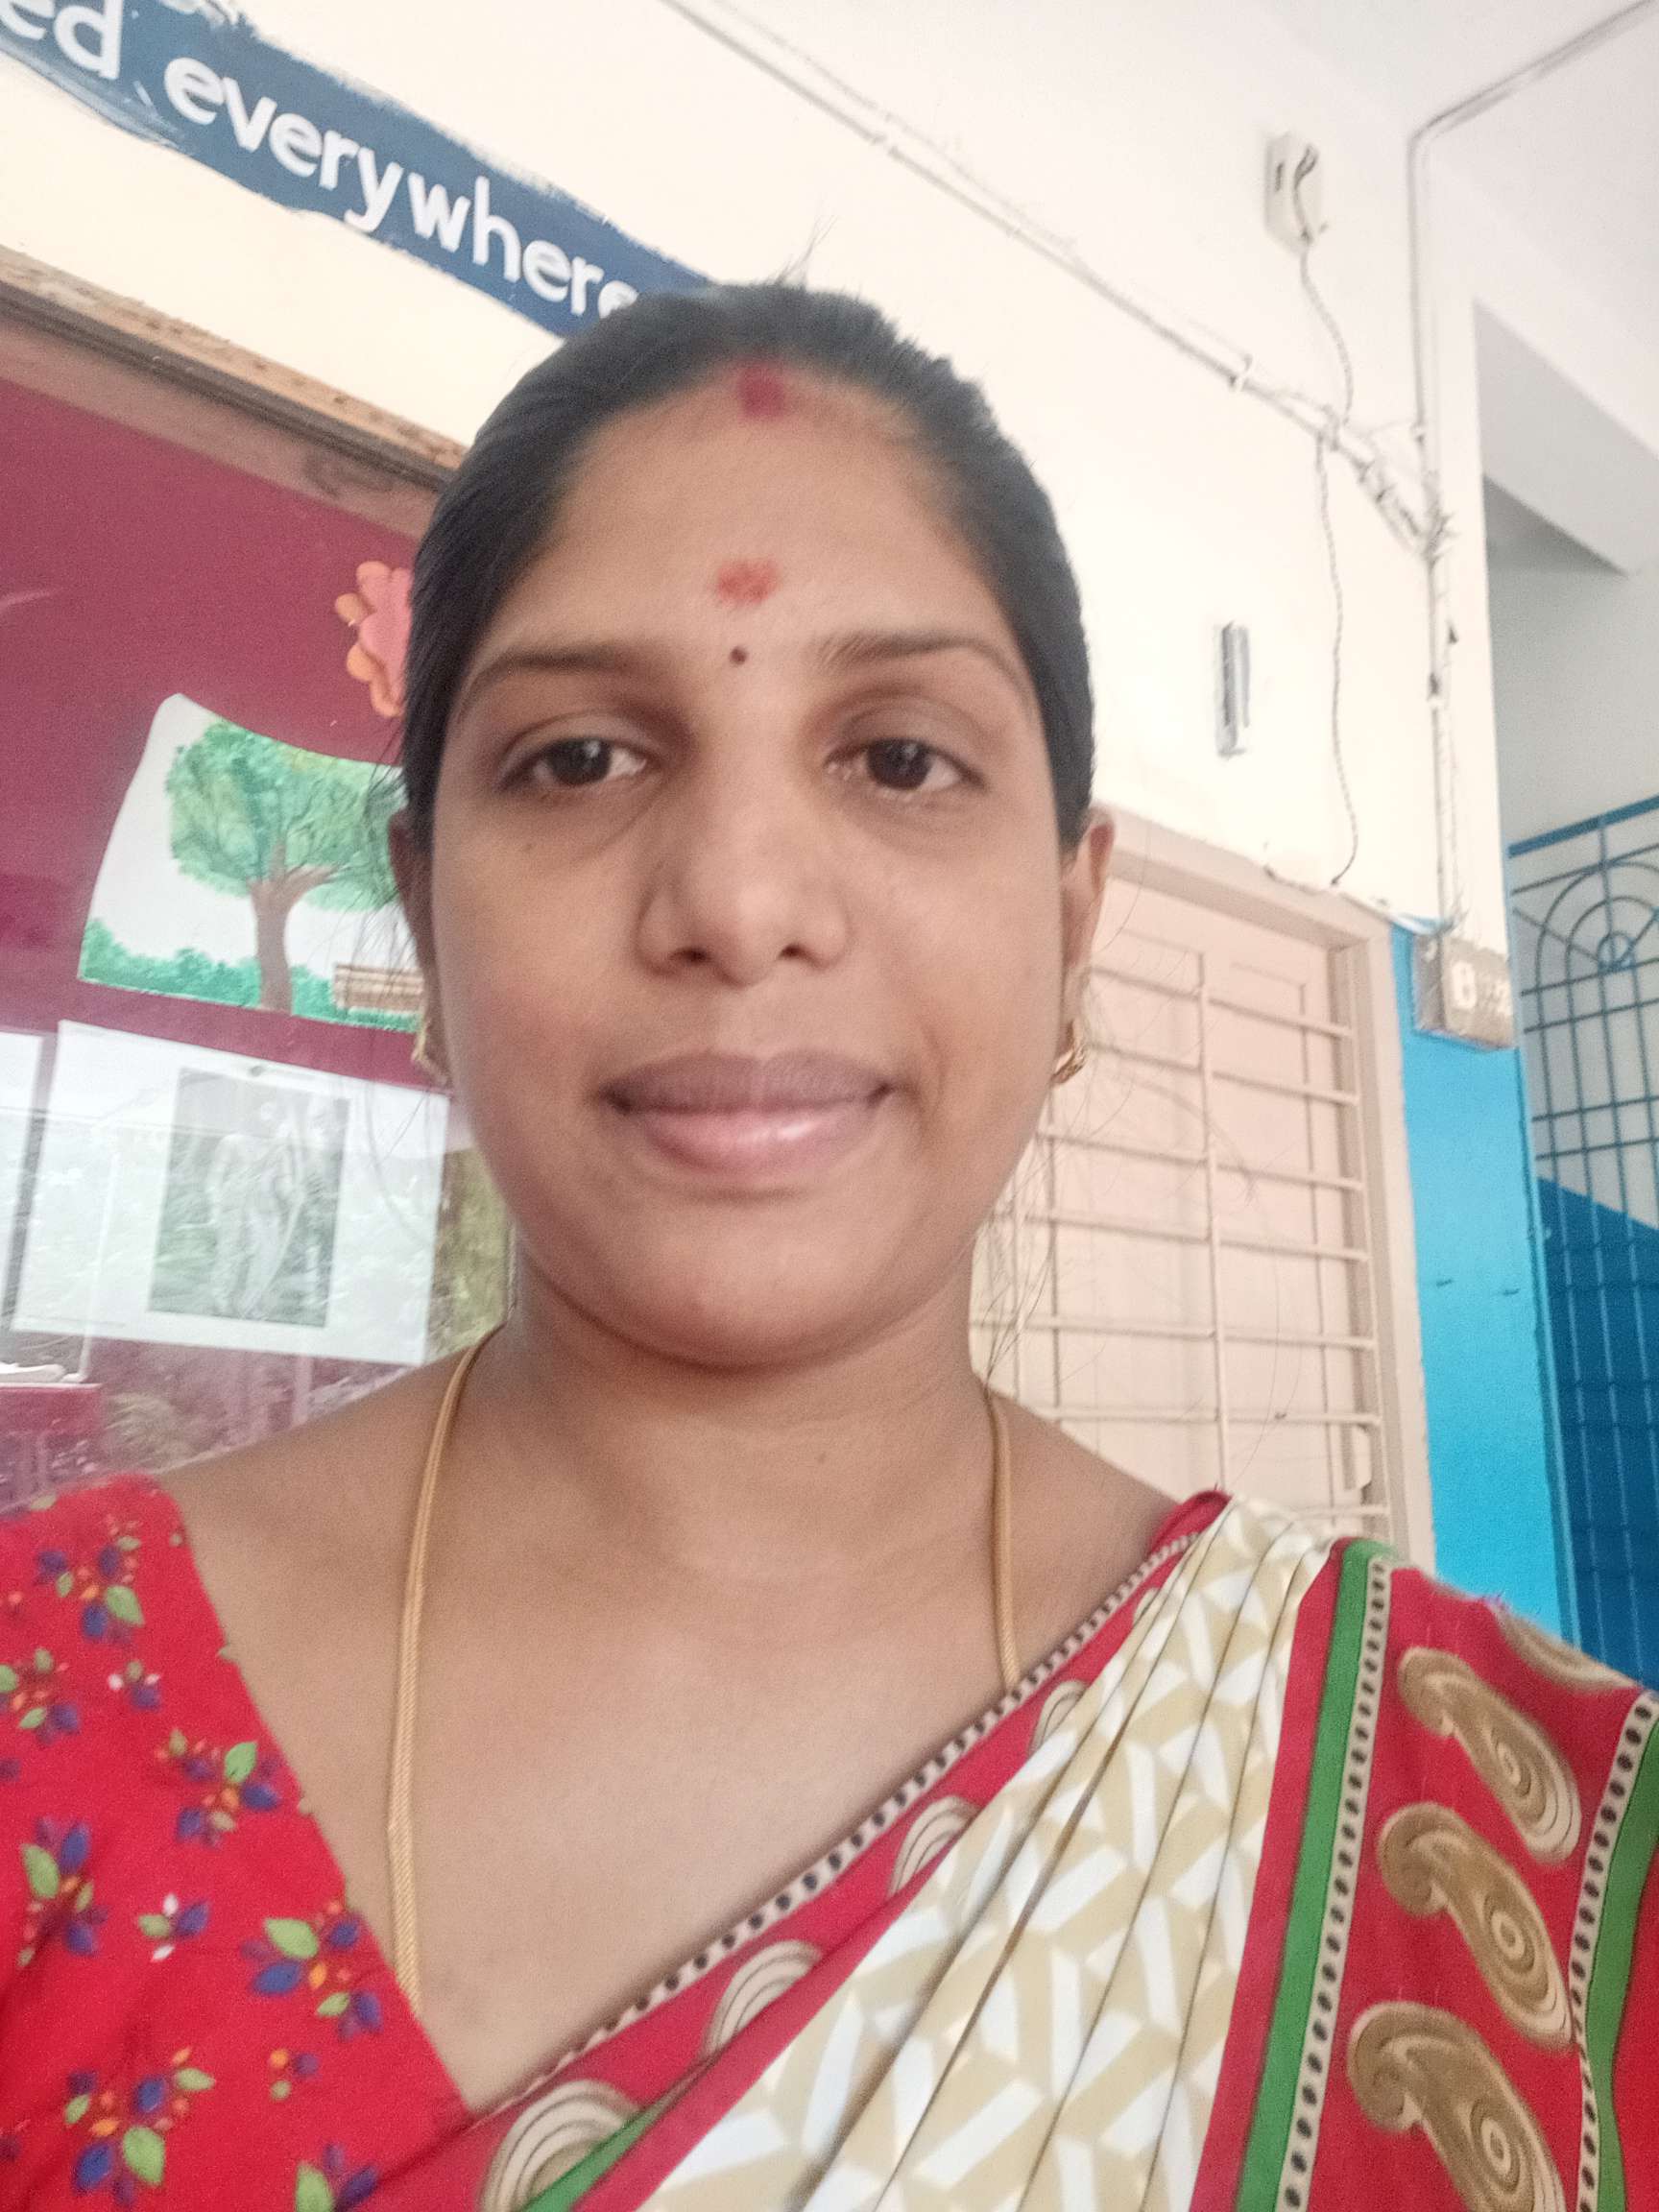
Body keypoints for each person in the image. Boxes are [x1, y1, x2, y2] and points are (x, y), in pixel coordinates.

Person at [1, 284, 1652, 2212]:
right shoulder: (43, 1714)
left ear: (1073, 922)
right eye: (580, 759)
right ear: (426, 917)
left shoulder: (1496, 1823)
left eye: (898, 759)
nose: (738, 898)